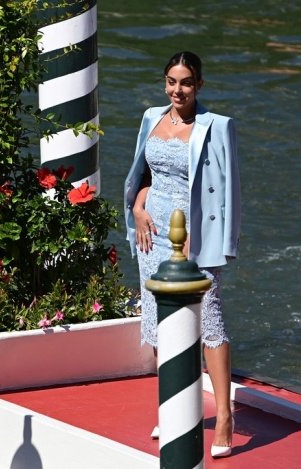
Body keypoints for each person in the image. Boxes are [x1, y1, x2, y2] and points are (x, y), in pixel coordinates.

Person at [124, 51, 241, 458]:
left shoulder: (216, 127)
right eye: (172, 82)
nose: (178, 90)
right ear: (165, 83)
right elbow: (144, 176)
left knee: (209, 321)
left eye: (186, 82)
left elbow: (229, 194)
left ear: (199, 85)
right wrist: (138, 211)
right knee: (158, 321)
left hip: (195, 238)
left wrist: (214, 242)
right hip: (151, 234)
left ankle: (224, 416)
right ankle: (173, 405)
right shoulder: (150, 118)